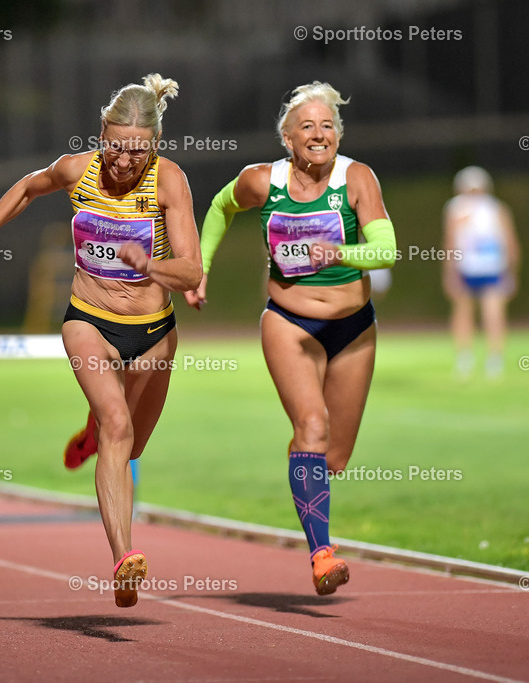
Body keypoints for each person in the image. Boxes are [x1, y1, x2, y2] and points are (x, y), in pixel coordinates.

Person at [0, 74, 201, 608]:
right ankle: (124, 557)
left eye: (137, 152)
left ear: (155, 146)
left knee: (128, 447)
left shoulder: (169, 181)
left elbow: (192, 271)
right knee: (118, 428)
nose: (123, 162)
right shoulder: (78, 170)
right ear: (99, 134)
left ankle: (91, 429)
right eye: (114, 148)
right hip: (89, 321)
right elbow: (28, 188)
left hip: (153, 335)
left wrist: (152, 265)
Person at [186, 82, 396, 596]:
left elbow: (387, 250)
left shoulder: (357, 178)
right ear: (287, 137)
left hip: (354, 328)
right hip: (288, 322)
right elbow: (218, 207)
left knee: (335, 455)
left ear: (339, 136)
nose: (319, 134)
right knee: (312, 425)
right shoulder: (262, 182)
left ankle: (306, 470)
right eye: (307, 126)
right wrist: (201, 268)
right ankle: (322, 555)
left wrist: (339, 254)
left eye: (328, 126)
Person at [442, 166, 519, 380]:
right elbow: (450, 243)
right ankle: (464, 358)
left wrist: (510, 270)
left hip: (492, 267)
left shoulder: (496, 209)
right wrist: (450, 272)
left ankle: (495, 359)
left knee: (493, 314)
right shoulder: (455, 209)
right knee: (462, 313)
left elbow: (510, 242)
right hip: (465, 267)